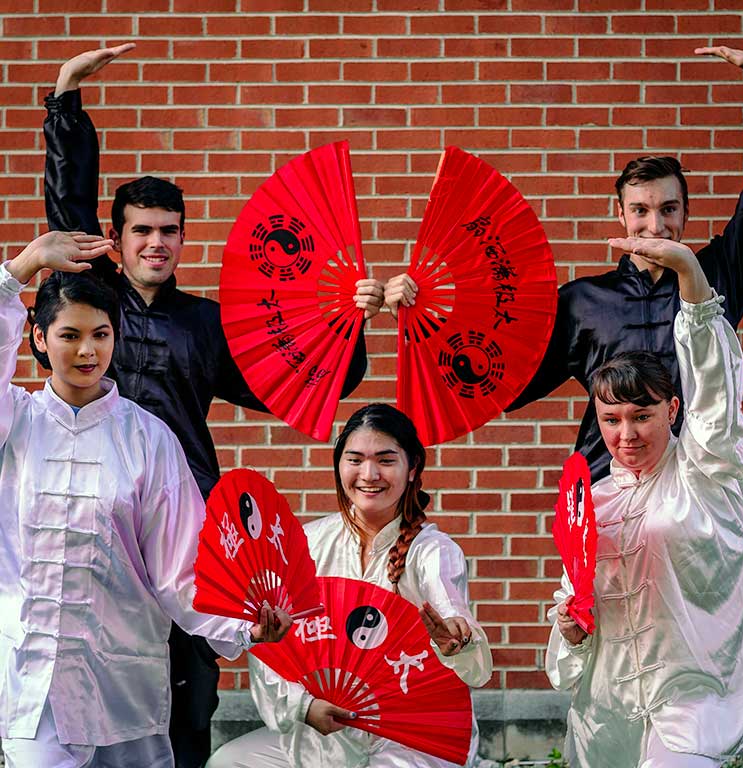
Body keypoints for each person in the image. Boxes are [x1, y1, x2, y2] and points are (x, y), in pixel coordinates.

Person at [43, 44, 384, 767]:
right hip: (96, 514)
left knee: (191, 682)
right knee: (86, 680)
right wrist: (66, 103)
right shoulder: (91, 301)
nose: (157, 242)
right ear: (117, 238)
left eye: (169, 230)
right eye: (142, 229)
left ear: (183, 238)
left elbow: (296, 380)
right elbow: (67, 208)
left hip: (189, 516)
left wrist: (353, 321)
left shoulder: (210, 322)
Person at [384, 46, 743, 483]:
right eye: (640, 210)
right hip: (610, 481)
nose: (655, 225)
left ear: (685, 214)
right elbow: (501, 381)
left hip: (702, 480)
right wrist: (421, 317)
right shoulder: (584, 301)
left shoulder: (715, 277)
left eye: (668, 209)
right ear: (620, 215)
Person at [0, 231, 293, 768]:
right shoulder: (14, 422)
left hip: (123, 680)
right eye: (69, 335)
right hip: (31, 677)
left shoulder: (149, 439)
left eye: (101, 334)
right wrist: (21, 268)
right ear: (39, 339)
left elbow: (183, 565)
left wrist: (244, 625)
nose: (87, 350)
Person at [545, 235, 743, 767]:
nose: (627, 435)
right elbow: (574, 623)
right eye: (611, 420)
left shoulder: (708, 474)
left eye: (642, 416)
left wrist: (691, 276)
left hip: (690, 707)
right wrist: (569, 631)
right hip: (605, 720)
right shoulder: (591, 501)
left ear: (672, 409)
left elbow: (716, 394)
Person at [206, 403, 493, 768]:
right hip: (319, 733)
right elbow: (271, 656)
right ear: (339, 465)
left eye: (386, 460)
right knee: (228, 762)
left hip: (403, 737)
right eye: (355, 459)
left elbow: (451, 612)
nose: (369, 474)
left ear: (413, 468)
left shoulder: (433, 552)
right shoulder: (306, 544)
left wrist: (455, 640)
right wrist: (304, 707)